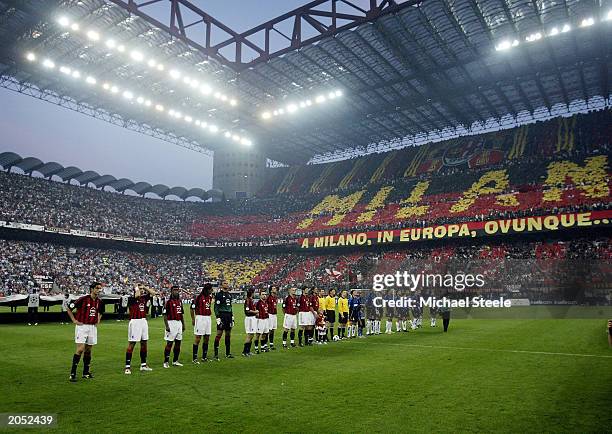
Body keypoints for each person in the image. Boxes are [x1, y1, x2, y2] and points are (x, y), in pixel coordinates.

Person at [66, 282, 103, 382]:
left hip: (92, 327)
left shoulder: (99, 301)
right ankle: (72, 373)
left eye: (100, 288)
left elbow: (101, 311)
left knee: (88, 350)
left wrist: (98, 319)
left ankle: (86, 372)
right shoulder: (83, 299)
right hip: (82, 326)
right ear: (91, 289)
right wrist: (74, 320)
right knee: (80, 349)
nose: (99, 290)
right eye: (97, 288)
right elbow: (69, 308)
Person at [125, 283, 156, 374]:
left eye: (141, 289)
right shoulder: (131, 299)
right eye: (140, 289)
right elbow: (137, 294)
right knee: (132, 344)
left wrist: (145, 287)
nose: (141, 290)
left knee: (144, 343)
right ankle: (127, 367)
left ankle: (143, 365)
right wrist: (136, 287)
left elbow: (153, 293)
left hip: (143, 321)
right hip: (135, 322)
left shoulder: (144, 298)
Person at [163, 286, 185, 368]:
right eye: (174, 290)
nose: (176, 292)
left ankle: (175, 361)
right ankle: (166, 362)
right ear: (171, 291)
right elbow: (164, 315)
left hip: (179, 323)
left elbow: (181, 314)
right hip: (171, 323)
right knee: (169, 343)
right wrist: (167, 326)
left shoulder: (180, 301)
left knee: (178, 343)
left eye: (177, 290)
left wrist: (183, 324)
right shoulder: (168, 302)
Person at [191, 283, 213, 363]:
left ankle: (204, 357)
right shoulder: (199, 297)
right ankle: (194, 358)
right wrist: (193, 319)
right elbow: (192, 308)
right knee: (198, 338)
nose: (212, 290)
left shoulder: (210, 298)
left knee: (207, 337)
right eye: (211, 289)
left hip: (208, 318)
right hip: (200, 318)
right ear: (207, 289)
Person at [213, 280, 234, 360]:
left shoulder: (229, 295)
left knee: (228, 334)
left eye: (227, 283)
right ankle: (216, 355)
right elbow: (216, 307)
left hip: (228, 316)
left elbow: (230, 306)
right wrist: (218, 317)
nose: (227, 284)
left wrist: (232, 317)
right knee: (219, 334)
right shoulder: (219, 295)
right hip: (222, 315)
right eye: (225, 283)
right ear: (221, 285)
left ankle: (228, 353)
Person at [243, 288, 258, 356]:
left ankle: (248, 351)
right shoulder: (248, 300)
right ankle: (245, 352)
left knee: (251, 335)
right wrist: (255, 312)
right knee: (249, 335)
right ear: (252, 293)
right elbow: (247, 311)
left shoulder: (251, 300)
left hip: (253, 318)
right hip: (249, 319)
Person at [255, 289, 270, 354]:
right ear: (260, 296)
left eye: (265, 294)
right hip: (260, 320)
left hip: (266, 319)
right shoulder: (258, 303)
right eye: (263, 294)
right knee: (258, 334)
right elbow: (256, 311)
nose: (264, 296)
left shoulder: (266, 302)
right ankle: (256, 348)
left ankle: (262, 347)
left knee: (264, 334)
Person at [267, 286, 278, 350]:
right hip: (270, 315)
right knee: (269, 330)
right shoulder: (268, 298)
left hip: (274, 315)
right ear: (271, 291)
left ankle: (271, 344)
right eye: (274, 288)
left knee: (273, 330)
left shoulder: (275, 298)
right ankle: (265, 344)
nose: (275, 289)